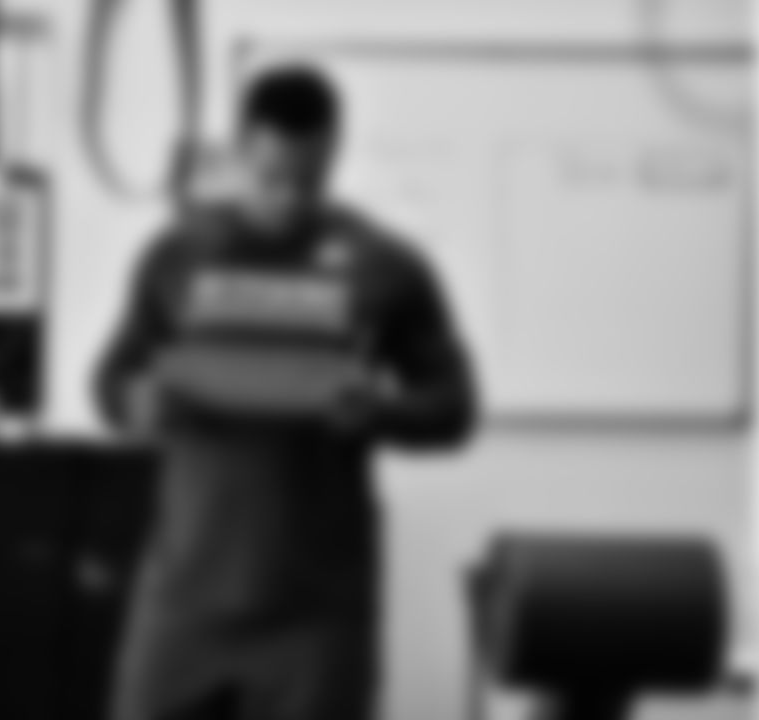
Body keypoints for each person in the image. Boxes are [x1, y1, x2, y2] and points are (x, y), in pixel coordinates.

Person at [94, 64, 478, 720]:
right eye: (272, 178)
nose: (291, 198)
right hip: (184, 603)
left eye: (310, 179)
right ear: (241, 152)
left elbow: (456, 407)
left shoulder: (384, 265)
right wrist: (136, 404)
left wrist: (380, 412)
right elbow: (109, 379)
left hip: (317, 618)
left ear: (334, 153)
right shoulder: (178, 255)